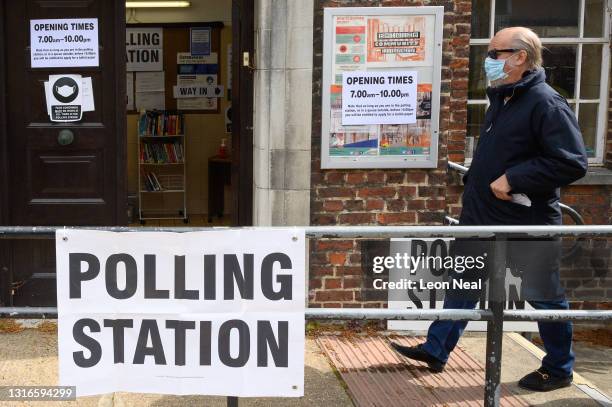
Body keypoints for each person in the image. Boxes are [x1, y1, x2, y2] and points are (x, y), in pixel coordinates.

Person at [391, 27, 588, 392]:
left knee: (545, 296)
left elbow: (572, 162)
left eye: (495, 52)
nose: (489, 60)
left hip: (524, 223)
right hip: (483, 218)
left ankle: (559, 368)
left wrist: (515, 177)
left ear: (520, 57)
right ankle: (437, 348)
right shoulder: (505, 97)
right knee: (462, 284)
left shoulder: (546, 102)